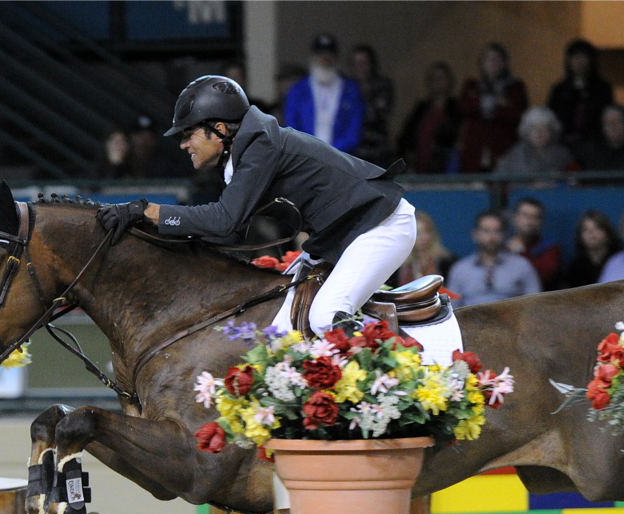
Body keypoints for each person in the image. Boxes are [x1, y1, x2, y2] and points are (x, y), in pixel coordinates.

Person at [96, 75, 412, 336]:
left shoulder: (260, 146)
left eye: (189, 134)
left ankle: (400, 374)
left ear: (218, 129)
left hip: (380, 225)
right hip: (344, 236)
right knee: (277, 333)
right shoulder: (246, 150)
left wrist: (150, 212)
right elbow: (225, 232)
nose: (183, 144)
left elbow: (223, 222)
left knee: (325, 318)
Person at [282, 33, 365, 154]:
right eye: (320, 54)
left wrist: (331, 153)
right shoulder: (298, 90)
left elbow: (353, 132)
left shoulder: (351, 90)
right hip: (306, 159)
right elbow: (291, 128)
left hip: (342, 160)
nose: (325, 59)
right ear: (313, 57)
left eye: (329, 55)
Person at [457, 43, 528, 173]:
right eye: (488, 59)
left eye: (496, 59)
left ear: (504, 62)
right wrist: (496, 102)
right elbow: (464, 106)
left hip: (504, 148)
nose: (492, 63)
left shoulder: (515, 87)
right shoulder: (472, 85)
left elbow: (516, 113)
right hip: (475, 150)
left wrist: (491, 107)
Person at [446, 211, 541, 305]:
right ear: (475, 234)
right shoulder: (460, 269)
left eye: (497, 231)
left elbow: (535, 303)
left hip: (511, 318)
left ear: (504, 234)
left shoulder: (521, 265)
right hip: (470, 319)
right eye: (486, 231)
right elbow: (452, 307)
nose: (491, 236)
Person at [396, 62, 462, 174]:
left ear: (449, 81)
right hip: (419, 171)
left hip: (445, 171)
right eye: (433, 78)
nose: (437, 82)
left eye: (441, 78)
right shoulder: (420, 109)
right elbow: (405, 139)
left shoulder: (456, 110)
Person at [547, 39, 615, 148]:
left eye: (583, 57)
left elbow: (605, 116)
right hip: (563, 145)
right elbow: (552, 117)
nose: (579, 61)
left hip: (594, 145)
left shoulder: (602, 89)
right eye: (575, 57)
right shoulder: (559, 90)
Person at [494, 106, 577, 175]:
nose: (539, 133)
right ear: (526, 132)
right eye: (533, 128)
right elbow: (500, 181)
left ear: (552, 132)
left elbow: (574, 182)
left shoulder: (562, 154)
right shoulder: (515, 154)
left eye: (544, 128)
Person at [349, 44, 394, 165]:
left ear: (371, 64)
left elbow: (377, 115)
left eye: (363, 63)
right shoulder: (347, 88)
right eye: (356, 64)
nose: (360, 68)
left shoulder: (383, 86)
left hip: (377, 151)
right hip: (353, 152)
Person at [505, 197, 561, 289]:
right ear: (514, 218)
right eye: (525, 215)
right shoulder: (501, 245)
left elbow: (546, 276)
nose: (529, 221)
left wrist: (521, 252)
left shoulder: (550, 248)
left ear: (541, 222)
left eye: (535, 217)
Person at [561, 210, 623, 288]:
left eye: (597, 227)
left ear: (607, 232)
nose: (591, 233)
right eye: (585, 229)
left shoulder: (621, 261)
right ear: (580, 236)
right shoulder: (575, 268)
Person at [397, 211, 456, 285]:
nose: (423, 237)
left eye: (426, 231)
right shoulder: (398, 265)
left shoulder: (447, 263)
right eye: (418, 233)